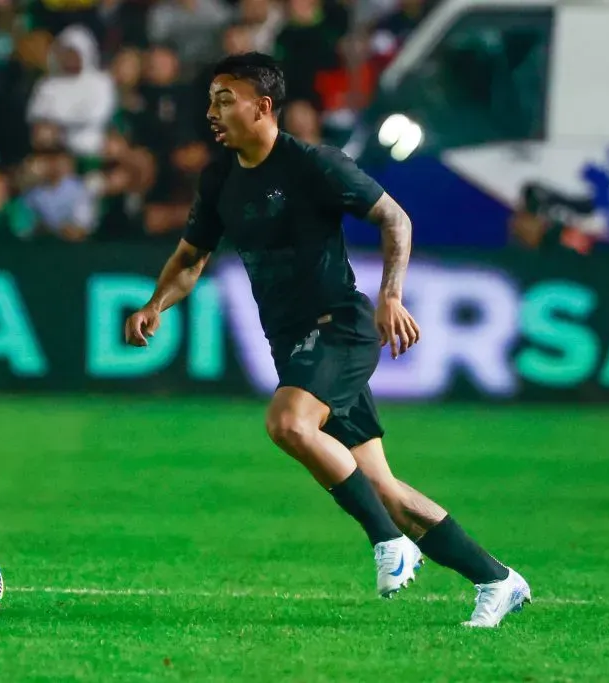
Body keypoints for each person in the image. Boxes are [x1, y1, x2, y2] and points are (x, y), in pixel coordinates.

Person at [124, 52, 530, 627]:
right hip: (293, 342)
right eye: (210, 100)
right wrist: (155, 304)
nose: (211, 112)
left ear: (262, 106)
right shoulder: (220, 178)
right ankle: (497, 579)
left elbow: (396, 220)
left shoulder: (313, 164)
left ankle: (388, 543)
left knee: (287, 423)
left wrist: (391, 295)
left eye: (224, 100)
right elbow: (192, 257)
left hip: (338, 328)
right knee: (384, 487)